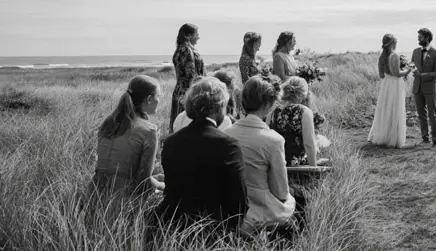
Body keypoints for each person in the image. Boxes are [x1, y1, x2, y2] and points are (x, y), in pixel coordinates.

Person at [154, 77, 248, 236]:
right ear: (220, 107)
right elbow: (239, 201)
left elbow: (172, 190)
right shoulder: (228, 144)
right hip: (212, 230)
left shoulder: (171, 142)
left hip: (171, 226)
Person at [225, 75, 297, 238]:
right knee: (296, 199)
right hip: (259, 212)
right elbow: (281, 192)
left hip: (230, 212)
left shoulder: (225, 134)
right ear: (268, 104)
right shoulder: (273, 140)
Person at [90, 75, 162, 199]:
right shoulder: (149, 130)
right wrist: (162, 186)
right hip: (123, 199)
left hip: (94, 195)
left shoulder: (108, 123)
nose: (159, 100)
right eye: (158, 96)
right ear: (149, 99)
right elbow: (144, 183)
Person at [270, 76, 328, 167]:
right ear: (304, 94)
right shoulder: (304, 112)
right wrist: (313, 167)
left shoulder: (272, 112)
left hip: (276, 164)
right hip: (297, 165)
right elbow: (309, 144)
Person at [368, 34, 412, 148]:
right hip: (395, 85)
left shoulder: (381, 57)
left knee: (385, 108)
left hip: (386, 85)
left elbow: (381, 75)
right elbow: (397, 74)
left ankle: (382, 135)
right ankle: (394, 138)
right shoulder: (394, 56)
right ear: (393, 44)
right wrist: (407, 70)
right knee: (394, 108)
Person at [169, 23, 205, 133]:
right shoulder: (185, 50)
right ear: (188, 36)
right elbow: (191, 75)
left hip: (183, 91)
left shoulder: (181, 49)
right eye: (196, 34)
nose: (198, 37)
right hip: (188, 92)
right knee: (185, 126)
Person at [411, 28, 436, 145]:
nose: (418, 39)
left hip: (430, 88)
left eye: (420, 37)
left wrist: (422, 75)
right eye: (418, 37)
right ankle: (425, 138)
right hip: (417, 87)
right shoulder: (415, 51)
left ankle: (435, 139)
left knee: (432, 114)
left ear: (427, 38)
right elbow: (412, 66)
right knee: (421, 114)